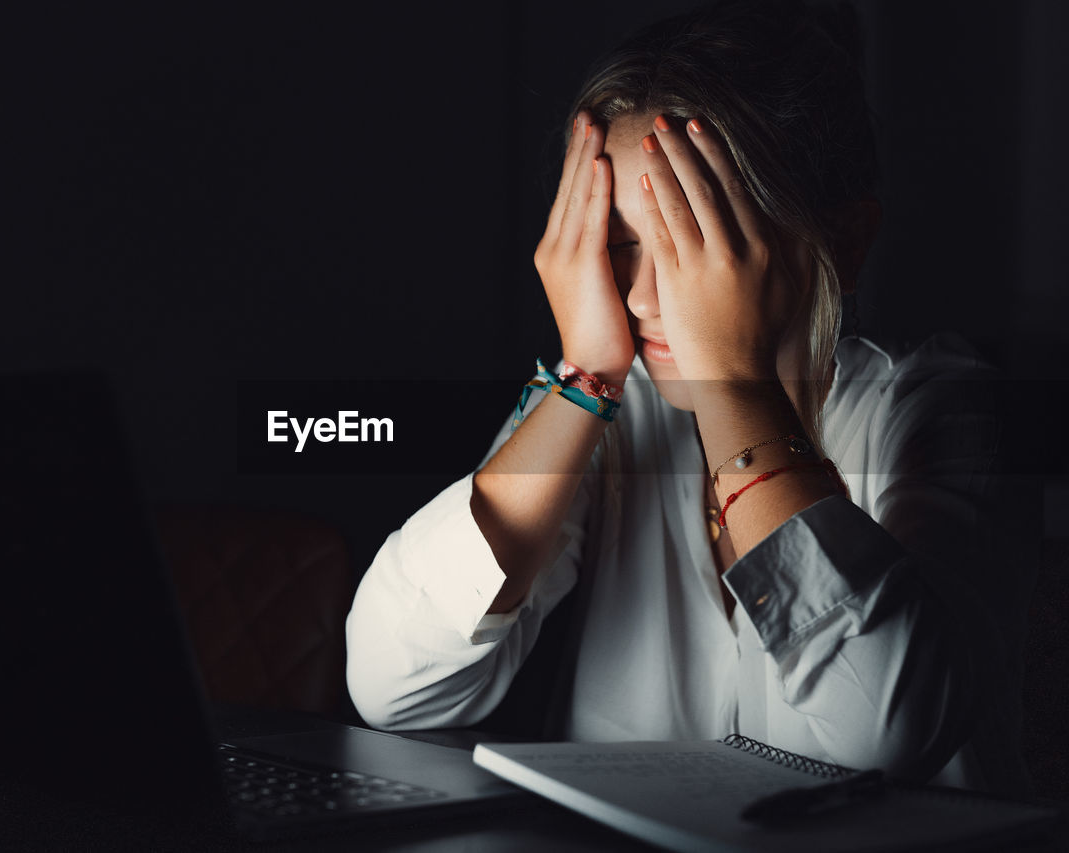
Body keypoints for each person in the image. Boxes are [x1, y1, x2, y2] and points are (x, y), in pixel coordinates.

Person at [344, 0, 1036, 793]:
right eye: (618, 246)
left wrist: (734, 387)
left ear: (843, 244)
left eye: (693, 245)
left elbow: (886, 727)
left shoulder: (945, 411)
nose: (639, 299)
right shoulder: (610, 409)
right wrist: (585, 382)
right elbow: (394, 683)